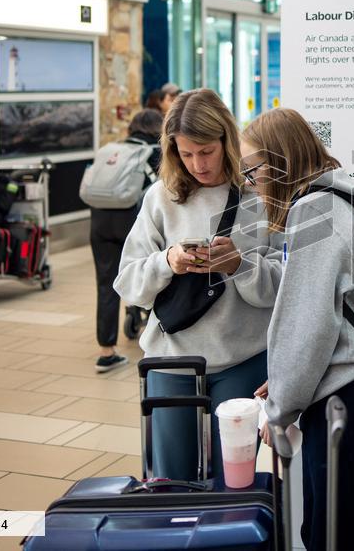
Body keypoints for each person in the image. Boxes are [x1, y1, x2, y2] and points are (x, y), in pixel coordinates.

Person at [245, 109, 354, 551]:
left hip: (345, 399)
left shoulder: (315, 209)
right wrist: (284, 385)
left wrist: (279, 410)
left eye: (252, 169)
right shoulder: (339, 199)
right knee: (348, 524)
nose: (250, 181)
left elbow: (308, 324)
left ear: (279, 162)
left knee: (335, 534)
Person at [115, 88, 282, 479]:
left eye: (205, 151)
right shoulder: (161, 197)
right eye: (185, 154)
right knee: (171, 480)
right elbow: (128, 283)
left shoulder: (261, 194)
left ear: (227, 138)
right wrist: (167, 261)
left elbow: (285, 286)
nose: (197, 164)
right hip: (172, 361)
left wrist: (239, 264)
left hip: (244, 360)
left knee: (233, 482)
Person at [91, 109, 164, 373]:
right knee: (145, 270)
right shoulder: (155, 151)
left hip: (99, 220)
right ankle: (151, 332)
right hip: (132, 220)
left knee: (105, 282)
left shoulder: (114, 150)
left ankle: (106, 351)